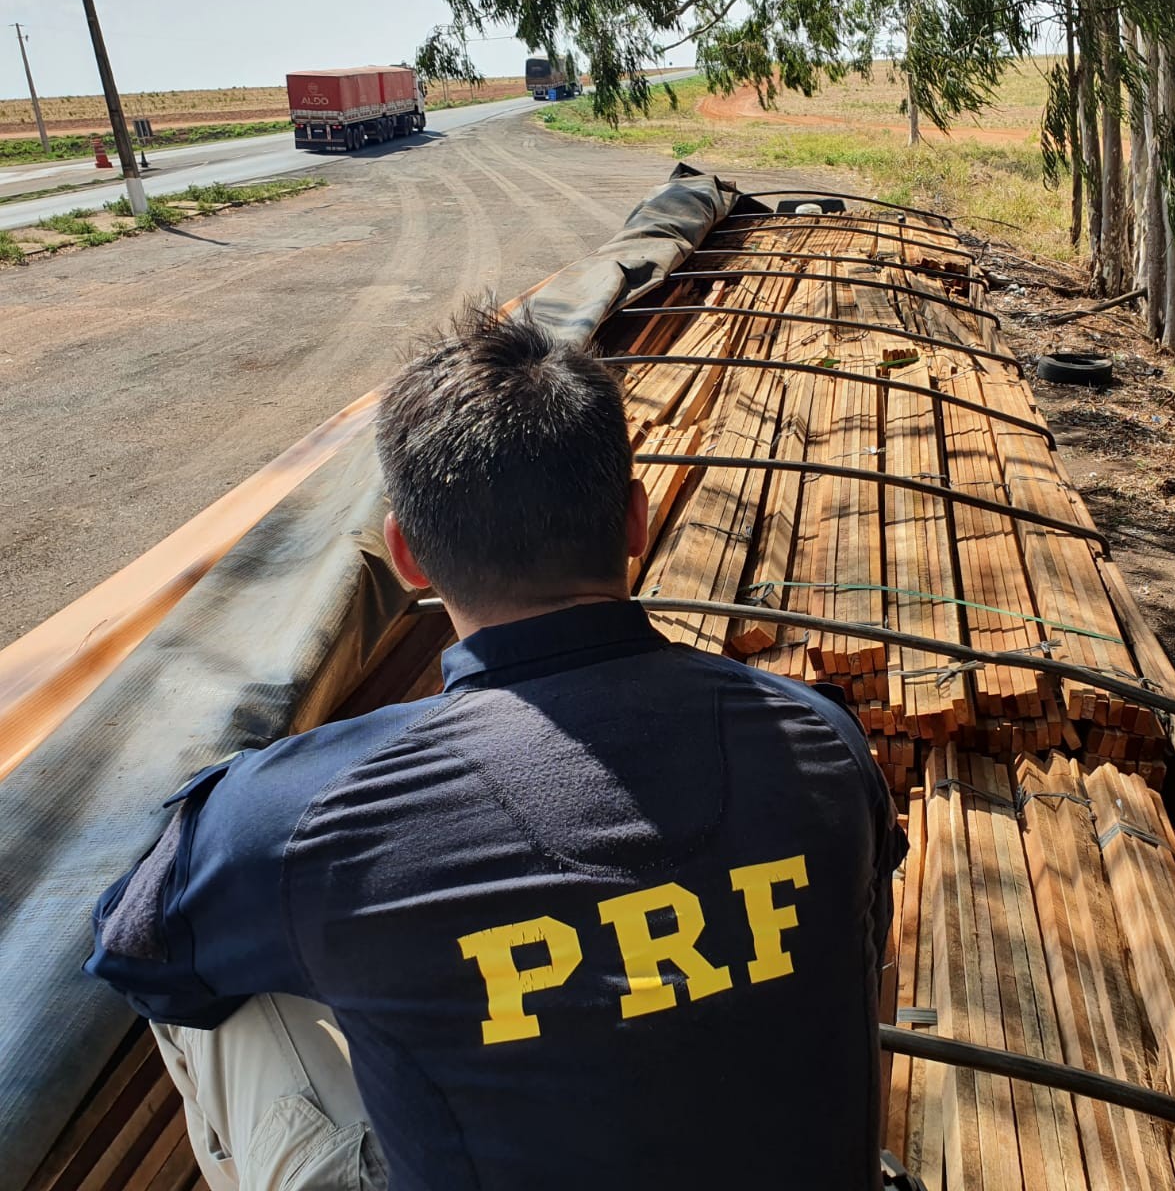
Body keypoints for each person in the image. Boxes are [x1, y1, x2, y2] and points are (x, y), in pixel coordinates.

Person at [86, 306, 906, 1191]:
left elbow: (134, 956)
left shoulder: (297, 815)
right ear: (634, 520)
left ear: (405, 557)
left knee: (230, 972)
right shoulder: (819, 735)